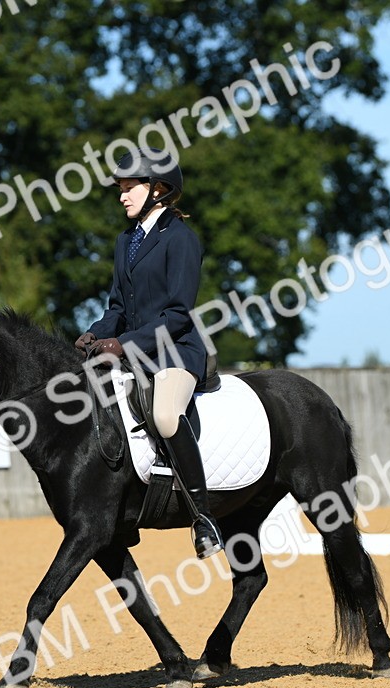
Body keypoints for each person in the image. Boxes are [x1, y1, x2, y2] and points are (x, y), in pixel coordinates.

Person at [74, 148, 224, 560]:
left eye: (129, 188)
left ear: (158, 189)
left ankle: (204, 518)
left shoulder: (181, 239)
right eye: (120, 189)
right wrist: (95, 334)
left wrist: (123, 344)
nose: (121, 196)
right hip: (135, 353)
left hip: (176, 351)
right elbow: (118, 308)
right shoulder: (126, 241)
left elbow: (178, 314)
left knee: (164, 415)